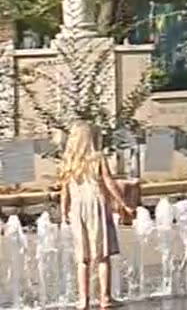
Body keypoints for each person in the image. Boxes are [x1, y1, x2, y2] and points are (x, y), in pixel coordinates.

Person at [59, 121, 133, 310]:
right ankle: (105, 298)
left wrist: (63, 211)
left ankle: (83, 301)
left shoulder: (69, 160)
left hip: (77, 208)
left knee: (82, 257)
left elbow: (64, 189)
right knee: (102, 255)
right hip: (96, 206)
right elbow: (109, 182)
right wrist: (124, 203)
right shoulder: (98, 158)